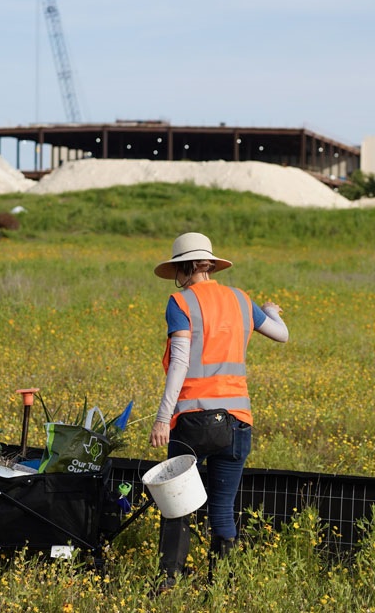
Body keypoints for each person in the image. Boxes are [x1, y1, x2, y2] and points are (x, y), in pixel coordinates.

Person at [148, 232, 289, 593]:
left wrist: (163, 418)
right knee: (222, 507)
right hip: (238, 421)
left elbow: (179, 363)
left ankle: (169, 581)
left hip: (192, 420)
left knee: (177, 503)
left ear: (181, 268)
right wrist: (270, 311)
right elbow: (281, 334)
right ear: (210, 264)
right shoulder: (241, 300)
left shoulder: (180, 302)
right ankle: (221, 587)